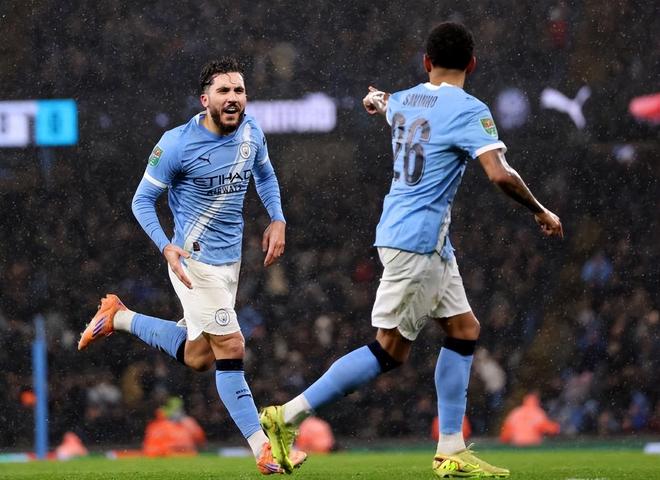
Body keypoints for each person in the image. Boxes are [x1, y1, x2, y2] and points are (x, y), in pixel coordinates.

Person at [260, 22, 563, 478]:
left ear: (426, 62)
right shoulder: (469, 109)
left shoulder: (406, 99)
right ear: (472, 64)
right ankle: (288, 416)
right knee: (389, 351)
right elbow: (499, 173)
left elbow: (388, 104)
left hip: (423, 239)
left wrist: (377, 99)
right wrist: (541, 210)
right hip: (416, 241)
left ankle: (451, 449)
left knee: (464, 329)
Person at [77, 57, 305, 475]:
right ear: (205, 100)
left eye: (239, 90)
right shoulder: (176, 144)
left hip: (230, 262)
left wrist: (277, 218)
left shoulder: (252, 132)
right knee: (231, 346)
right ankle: (262, 448)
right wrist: (165, 246)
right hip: (191, 262)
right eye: (224, 91)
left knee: (200, 357)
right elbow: (141, 201)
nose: (233, 98)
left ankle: (119, 317)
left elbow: (265, 175)